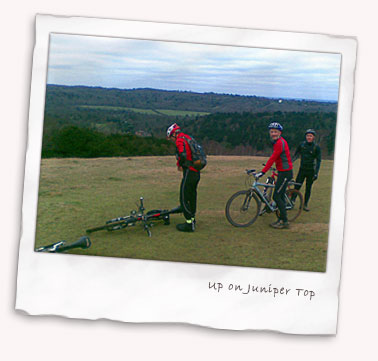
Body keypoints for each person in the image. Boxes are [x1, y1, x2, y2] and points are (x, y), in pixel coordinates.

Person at [255, 122, 293, 229]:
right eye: (271, 132)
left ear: (280, 132)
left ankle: (284, 221)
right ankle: (281, 218)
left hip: (285, 172)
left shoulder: (280, 143)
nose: (273, 133)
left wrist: (263, 172)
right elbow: (277, 158)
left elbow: (273, 157)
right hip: (282, 171)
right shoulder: (277, 142)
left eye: (275, 132)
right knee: (279, 195)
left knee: (276, 196)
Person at [166, 123, 201, 232]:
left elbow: (183, 155)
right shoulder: (188, 137)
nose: (172, 140)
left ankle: (189, 224)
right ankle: (192, 219)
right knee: (192, 196)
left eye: (171, 137)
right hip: (196, 171)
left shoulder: (180, 140)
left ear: (174, 134)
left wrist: (179, 164)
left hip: (189, 171)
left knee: (184, 197)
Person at [292, 129, 321, 211]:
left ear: (313, 137)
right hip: (302, 170)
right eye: (307, 136)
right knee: (297, 186)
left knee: (308, 188)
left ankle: (305, 204)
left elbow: (318, 161)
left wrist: (316, 173)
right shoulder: (301, 145)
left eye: (310, 136)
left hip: (311, 171)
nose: (309, 137)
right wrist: (290, 162)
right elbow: (296, 155)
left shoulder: (316, 147)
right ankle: (292, 202)